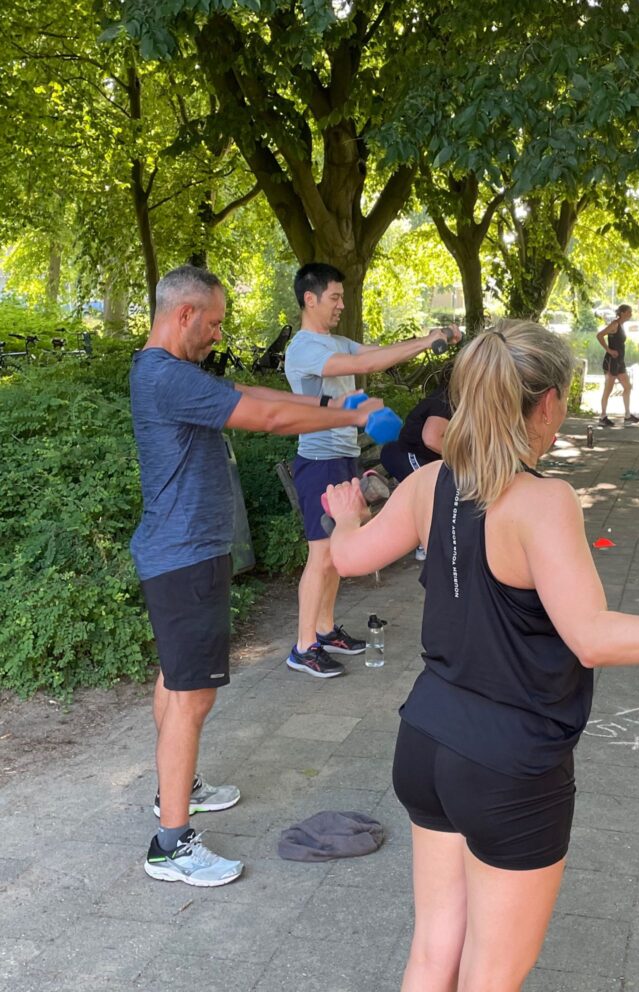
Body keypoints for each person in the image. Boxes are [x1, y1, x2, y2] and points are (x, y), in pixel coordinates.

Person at [322, 319, 639, 992]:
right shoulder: (542, 502)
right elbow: (591, 638)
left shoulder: (429, 482)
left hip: (427, 743)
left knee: (434, 952)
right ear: (548, 403)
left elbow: (349, 558)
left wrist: (344, 516)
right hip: (507, 769)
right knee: (488, 990)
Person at [130, 265, 382, 887]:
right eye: (212, 322)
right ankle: (172, 843)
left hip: (183, 551)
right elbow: (264, 419)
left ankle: (177, 789)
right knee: (195, 694)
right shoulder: (166, 375)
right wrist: (350, 420)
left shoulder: (173, 372)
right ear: (183, 314)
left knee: (176, 678)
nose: (218, 333)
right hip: (185, 554)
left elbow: (258, 395)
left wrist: (331, 403)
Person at [284, 263, 460, 678]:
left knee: (336, 553)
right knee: (322, 554)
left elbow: (374, 353)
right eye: (334, 298)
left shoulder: (337, 341)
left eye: (343, 297)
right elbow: (375, 363)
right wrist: (428, 341)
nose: (341, 305)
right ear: (309, 299)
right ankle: (303, 645)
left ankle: (325, 630)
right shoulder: (305, 348)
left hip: (342, 457)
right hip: (318, 460)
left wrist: (428, 339)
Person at [379, 363, 454, 560]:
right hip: (407, 456)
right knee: (433, 489)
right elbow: (431, 439)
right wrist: (464, 459)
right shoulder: (444, 401)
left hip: (421, 458)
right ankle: (427, 544)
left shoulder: (458, 401)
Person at [596, 304, 639, 427]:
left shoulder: (621, 325)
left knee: (627, 386)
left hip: (620, 362)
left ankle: (627, 415)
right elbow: (599, 335)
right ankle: (603, 416)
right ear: (622, 313)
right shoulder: (614, 324)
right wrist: (609, 350)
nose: (631, 314)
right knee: (608, 389)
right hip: (612, 362)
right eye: (629, 312)